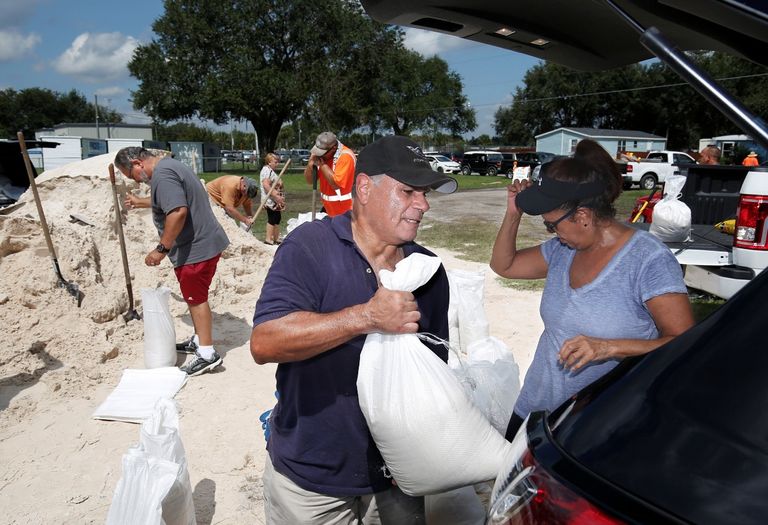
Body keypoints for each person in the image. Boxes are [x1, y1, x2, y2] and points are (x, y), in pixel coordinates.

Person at [251, 136, 457, 524]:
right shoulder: (310, 247)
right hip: (312, 479)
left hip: (398, 476)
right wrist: (365, 317)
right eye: (408, 191)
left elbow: (433, 372)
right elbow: (265, 342)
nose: (423, 205)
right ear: (364, 188)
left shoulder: (426, 271)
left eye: (425, 193)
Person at [490, 139, 694, 440]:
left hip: (592, 424)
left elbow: (686, 344)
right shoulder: (562, 250)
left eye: (551, 225)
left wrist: (608, 347)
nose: (552, 233)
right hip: (534, 409)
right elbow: (504, 265)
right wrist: (513, 214)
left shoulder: (648, 260)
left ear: (583, 216)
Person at [114, 147, 230, 376]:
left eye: (131, 175)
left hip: (196, 249)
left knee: (196, 299)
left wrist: (161, 249)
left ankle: (207, 354)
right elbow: (167, 199)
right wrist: (140, 202)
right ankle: (199, 339)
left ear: (137, 163)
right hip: (203, 244)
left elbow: (177, 211)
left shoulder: (163, 175)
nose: (135, 180)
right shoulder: (169, 166)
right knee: (194, 296)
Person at [303, 131, 356, 216]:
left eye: (322, 152)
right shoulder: (324, 157)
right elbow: (310, 181)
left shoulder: (345, 157)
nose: (319, 155)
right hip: (330, 210)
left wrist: (322, 165)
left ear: (334, 148)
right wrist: (310, 165)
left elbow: (335, 184)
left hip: (347, 211)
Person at [259, 153, 286, 245]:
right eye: (275, 162)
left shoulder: (271, 171)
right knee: (272, 218)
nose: (277, 164)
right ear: (269, 162)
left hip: (275, 200)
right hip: (270, 200)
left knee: (277, 218)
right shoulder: (267, 171)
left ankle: (276, 237)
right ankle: (268, 238)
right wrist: (276, 196)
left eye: (278, 162)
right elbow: (266, 185)